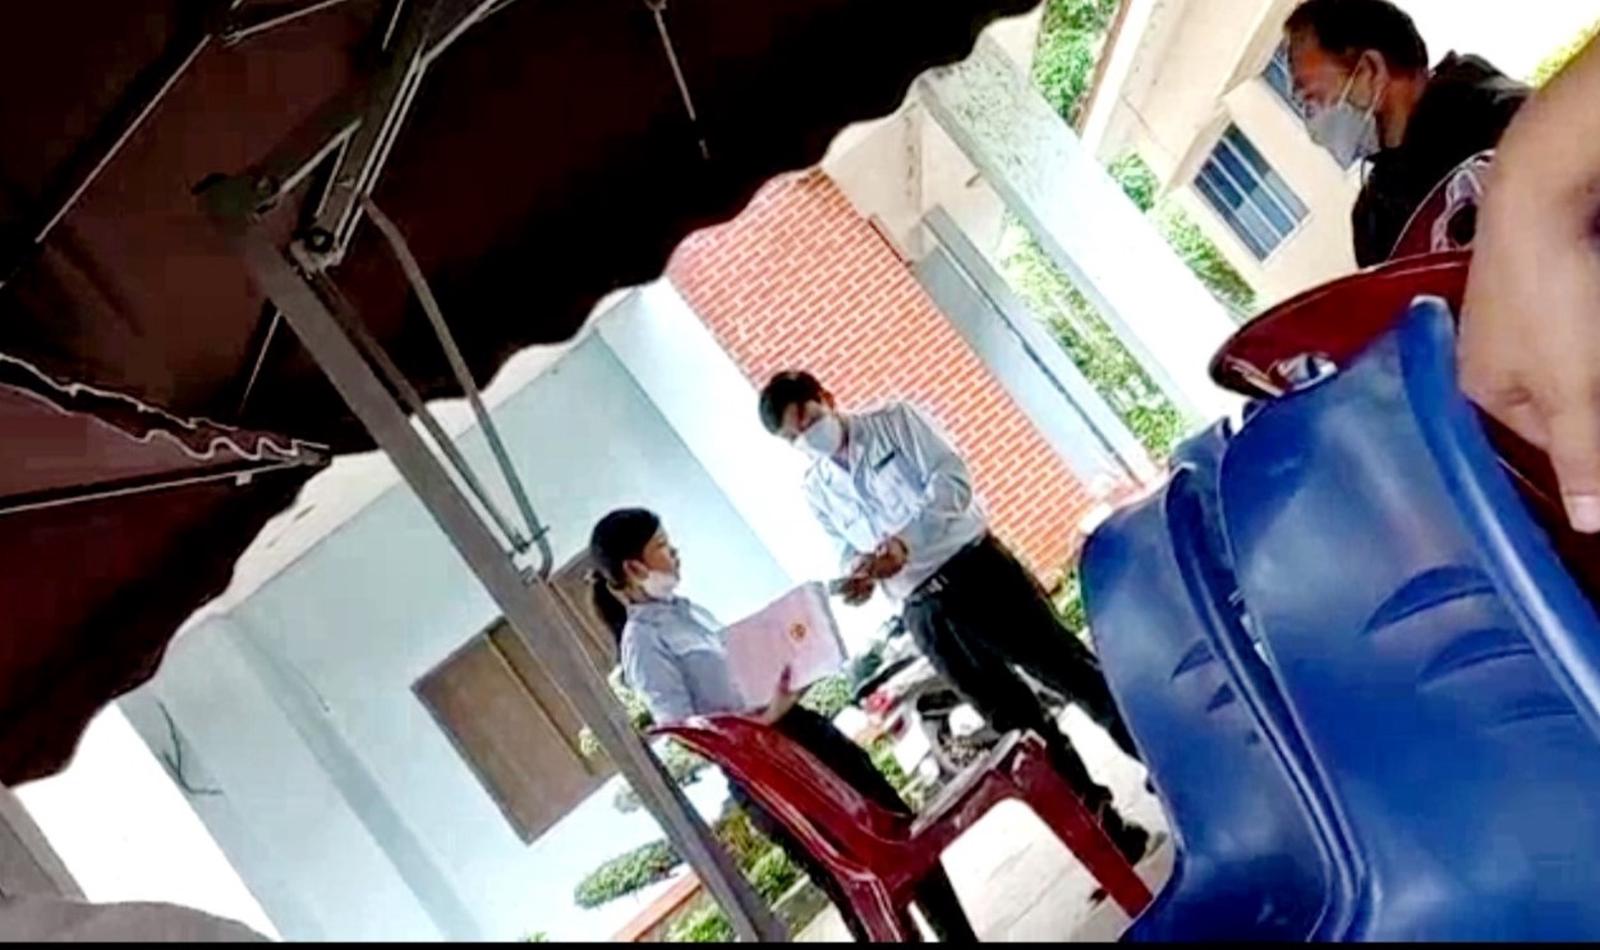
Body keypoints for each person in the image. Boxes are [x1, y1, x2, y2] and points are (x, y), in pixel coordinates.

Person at [756, 371, 1153, 864]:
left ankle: (1170, 770)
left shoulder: (895, 422)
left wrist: (906, 543)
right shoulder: (817, 489)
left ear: (827, 399)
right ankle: (1109, 837)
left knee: (1075, 675)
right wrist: (859, 574)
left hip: (977, 573)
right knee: (1021, 729)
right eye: (794, 438)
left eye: (809, 420)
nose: (808, 438)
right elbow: (843, 548)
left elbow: (952, 483)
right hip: (924, 614)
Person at [588, 508, 978, 943]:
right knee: (854, 882)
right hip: (763, 772)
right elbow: (689, 734)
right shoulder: (642, 644)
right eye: (662, 546)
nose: (674, 552)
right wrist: (765, 718)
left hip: (801, 731)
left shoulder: (685, 611)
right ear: (634, 568)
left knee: (898, 831)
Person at [1461, 34, 1600, 536]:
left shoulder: (1476, 105)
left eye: (1306, 85)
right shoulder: (1372, 209)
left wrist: (1535, 181)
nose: (1306, 103)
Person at [1285, 0, 1530, 267]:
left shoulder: (1508, 123)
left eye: (1312, 98)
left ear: (1370, 70)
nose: (1313, 123)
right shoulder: (1373, 220)